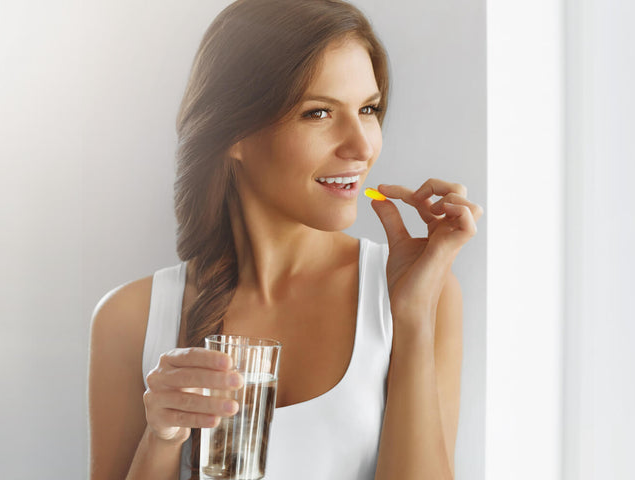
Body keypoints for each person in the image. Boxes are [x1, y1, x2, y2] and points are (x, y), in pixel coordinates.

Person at [88, 0, 483, 479]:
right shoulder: (130, 319)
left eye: (368, 109)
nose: (362, 147)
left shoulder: (421, 292)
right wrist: (163, 437)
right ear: (233, 131)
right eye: (318, 113)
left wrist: (414, 318)